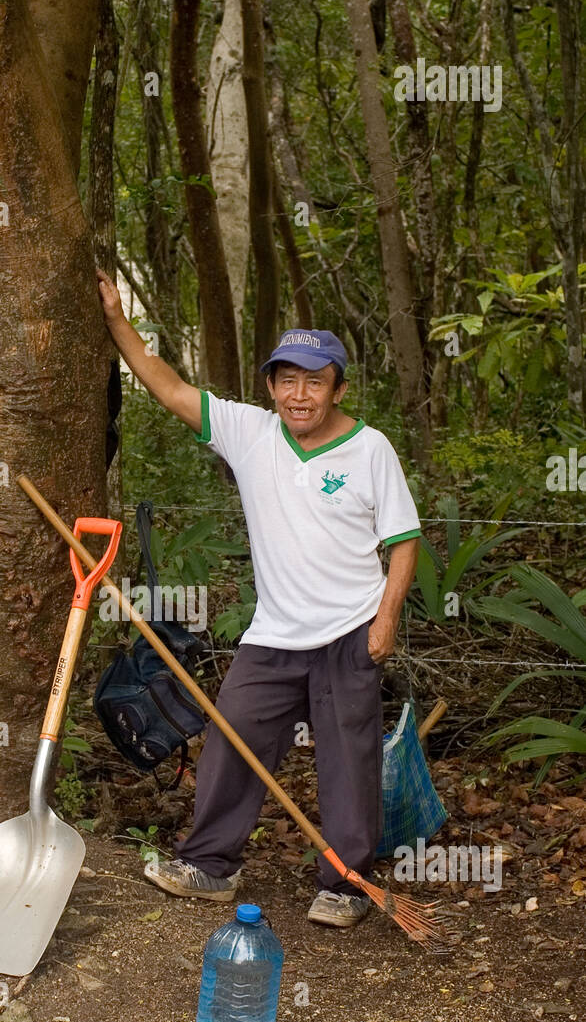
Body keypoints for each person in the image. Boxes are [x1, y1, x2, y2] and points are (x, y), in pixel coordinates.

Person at [96, 269, 420, 928]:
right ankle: (211, 865)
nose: (300, 394)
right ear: (271, 386)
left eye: (315, 380)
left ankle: (346, 885)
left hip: (351, 630)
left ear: (338, 388)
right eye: (287, 379)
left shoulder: (370, 450)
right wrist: (115, 321)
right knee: (233, 739)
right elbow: (169, 388)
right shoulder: (250, 433)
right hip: (273, 635)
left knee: (347, 758)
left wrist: (385, 621)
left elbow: (405, 542)